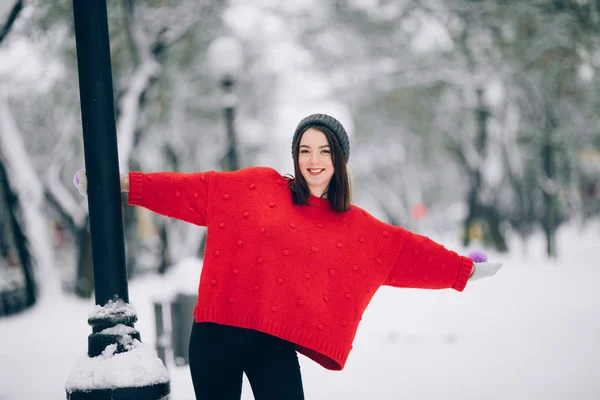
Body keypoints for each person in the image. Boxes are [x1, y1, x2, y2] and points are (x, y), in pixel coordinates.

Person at [74, 113, 502, 400]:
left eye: (324, 151)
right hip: (213, 337)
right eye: (305, 150)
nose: (313, 161)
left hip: (271, 343)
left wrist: (464, 270)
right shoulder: (254, 186)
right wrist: (123, 183)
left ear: (339, 159)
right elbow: (189, 189)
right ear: (295, 156)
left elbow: (406, 251)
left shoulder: (352, 225)